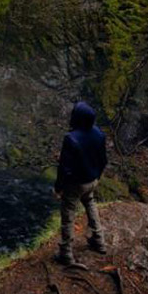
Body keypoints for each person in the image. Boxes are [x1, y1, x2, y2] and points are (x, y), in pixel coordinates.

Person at [53, 101, 107, 266]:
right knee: (90, 203)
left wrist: (58, 188)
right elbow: (103, 159)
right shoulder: (99, 133)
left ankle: (66, 253)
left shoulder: (71, 139)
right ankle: (99, 240)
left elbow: (65, 168)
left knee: (68, 215)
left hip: (75, 184)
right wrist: (96, 177)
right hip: (92, 180)